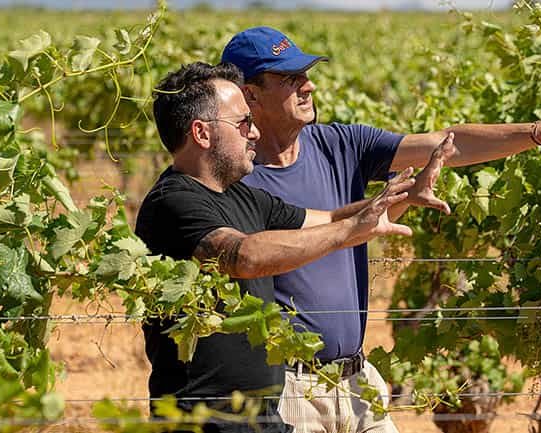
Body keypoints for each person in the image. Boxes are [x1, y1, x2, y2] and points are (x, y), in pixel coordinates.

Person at [220, 26, 541, 433]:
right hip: (286, 389)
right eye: (290, 78)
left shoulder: (337, 144)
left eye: (306, 74)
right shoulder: (231, 177)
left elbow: (448, 143)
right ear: (250, 95)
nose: (307, 86)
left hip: (355, 381)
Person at [134, 62, 454, 433]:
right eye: (242, 124)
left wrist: (397, 198)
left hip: (262, 420)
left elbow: (328, 219)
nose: (254, 133)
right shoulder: (173, 202)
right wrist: (352, 229)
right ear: (202, 133)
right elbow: (243, 256)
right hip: (204, 424)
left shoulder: (244, 197)